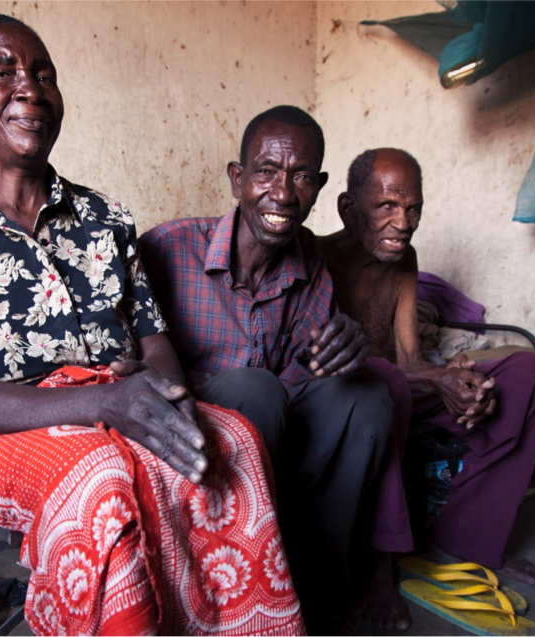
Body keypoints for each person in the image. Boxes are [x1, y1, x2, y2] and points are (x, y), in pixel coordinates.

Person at [0, 14, 304, 636]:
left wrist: (171, 396)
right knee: (100, 478)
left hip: (117, 397)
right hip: (3, 420)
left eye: (44, 75)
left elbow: (155, 340)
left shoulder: (106, 218)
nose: (30, 89)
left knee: (233, 442)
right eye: (4, 73)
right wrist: (105, 403)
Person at [138, 106, 405, 633]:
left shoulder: (311, 264)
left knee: (369, 395)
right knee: (254, 389)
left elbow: (305, 372)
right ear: (237, 179)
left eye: (301, 176)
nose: (282, 193)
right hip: (191, 435)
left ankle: (314, 587)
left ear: (318, 188)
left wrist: (343, 349)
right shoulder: (169, 247)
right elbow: (132, 359)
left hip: (274, 423)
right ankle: (233, 594)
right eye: (266, 171)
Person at [318, 148, 535, 619]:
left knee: (534, 372)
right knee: (383, 379)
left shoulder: (402, 260)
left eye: (413, 209)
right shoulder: (317, 257)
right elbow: (334, 364)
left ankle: (471, 537)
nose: (402, 223)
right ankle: (380, 562)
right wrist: (436, 378)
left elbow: (410, 358)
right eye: (386, 206)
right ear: (349, 208)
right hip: (352, 396)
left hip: (401, 386)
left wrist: (453, 379)